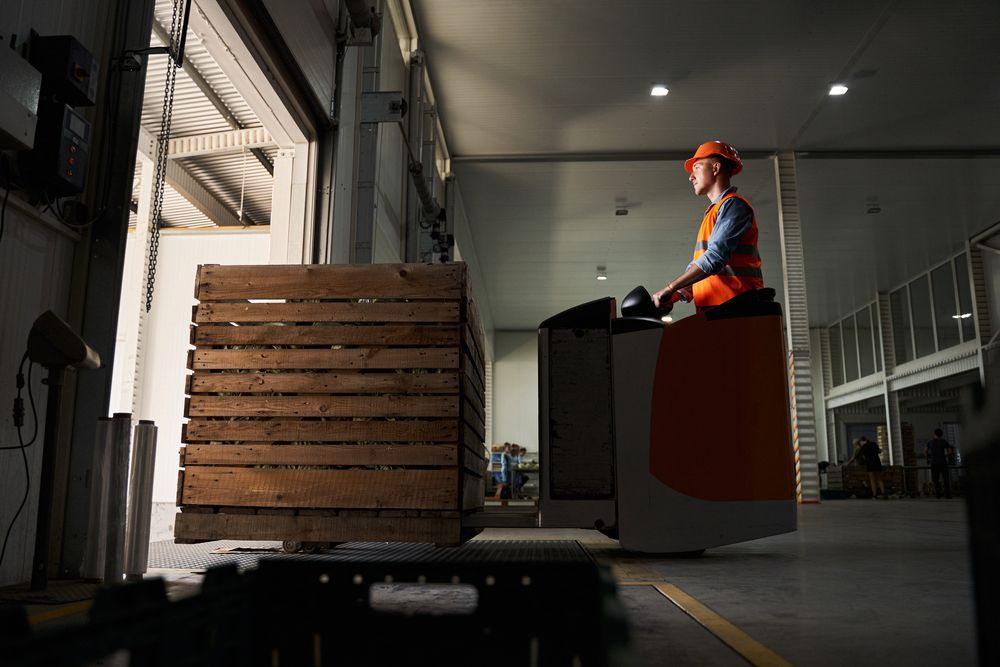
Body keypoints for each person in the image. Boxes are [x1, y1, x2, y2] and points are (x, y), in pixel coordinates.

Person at [652, 140, 764, 312]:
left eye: (696, 167)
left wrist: (671, 287)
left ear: (715, 168)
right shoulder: (714, 211)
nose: (691, 176)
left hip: (737, 310)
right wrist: (675, 295)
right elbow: (704, 265)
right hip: (718, 312)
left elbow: (714, 258)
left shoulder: (733, 206)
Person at [924, 428, 954, 499]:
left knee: (935, 480)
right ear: (941, 434)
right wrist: (947, 457)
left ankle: (938, 495)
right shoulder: (944, 442)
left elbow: (925, 451)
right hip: (943, 463)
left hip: (934, 463)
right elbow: (950, 451)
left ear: (934, 434)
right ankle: (948, 495)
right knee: (946, 479)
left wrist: (928, 459)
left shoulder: (930, 442)